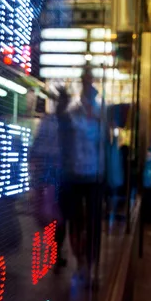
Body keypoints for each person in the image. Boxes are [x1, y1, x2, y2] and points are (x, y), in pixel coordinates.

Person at [57, 67, 105, 287]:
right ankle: (81, 262)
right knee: (76, 221)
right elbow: (63, 130)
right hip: (75, 174)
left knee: (93, 223)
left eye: (90, 82)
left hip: (94, 174)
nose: (88, 86)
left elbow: (107, 138)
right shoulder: (73, 111)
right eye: (84, 82)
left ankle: (92, 266)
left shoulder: (100, 111)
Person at [28, 89, 70, 271]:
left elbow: (36, 147)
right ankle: (56, 251)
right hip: (58, 174)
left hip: (49, 173)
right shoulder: (66, 123)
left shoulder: (50, 122)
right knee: (58, 214)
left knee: (51, 212)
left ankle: (55, 250)